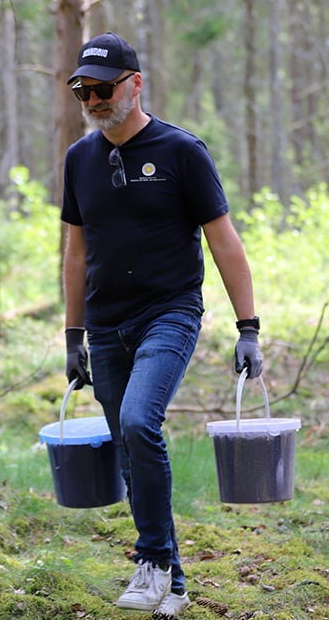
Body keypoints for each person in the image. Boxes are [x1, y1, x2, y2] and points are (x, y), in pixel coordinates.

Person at [61, 32, 262, 618]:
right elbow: (75, 254)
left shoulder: (181, 152)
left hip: (169, 313)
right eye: (83, 90)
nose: (94, 99)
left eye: (103, 88)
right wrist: (73, 337)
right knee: (127, 442)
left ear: (136, 84)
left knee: (137, 421)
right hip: (105, 322)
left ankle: (151, 561)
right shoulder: (79, 160)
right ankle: (172, 581)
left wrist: (247, 326)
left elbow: (224, 242)